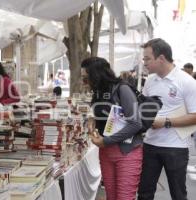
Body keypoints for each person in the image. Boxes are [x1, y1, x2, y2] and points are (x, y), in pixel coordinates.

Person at [137, 38, 196, 200]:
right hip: (150, 144)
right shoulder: (149, 80)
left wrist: (166, 122)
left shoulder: (187, 82)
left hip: (176, 148)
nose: (145, 63)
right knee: (144, 193)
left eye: (147, 59)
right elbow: (144, 108)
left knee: (178, 194)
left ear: (161, 58)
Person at [81, 57, 143, 200]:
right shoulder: (99, 92)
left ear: (96, 75)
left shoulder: (123, 89)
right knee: (111, 196)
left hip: (127, 152)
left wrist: (106, 141)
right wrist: (93, 119)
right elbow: (106, 114)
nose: (84, 83)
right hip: (106, 152)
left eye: (85, 79)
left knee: (124, 197)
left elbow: (135, 123)